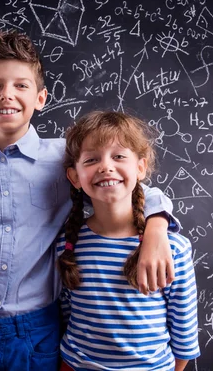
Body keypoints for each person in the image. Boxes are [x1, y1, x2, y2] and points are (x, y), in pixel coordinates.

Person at [0, 30, 181, 371]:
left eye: (21, 85)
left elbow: (128, 185)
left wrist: (157, 227)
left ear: (41, 97)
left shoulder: (66, 159)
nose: (7, 95)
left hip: (36, 335)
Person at [57, 111, 200, 371]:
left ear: (140, 167)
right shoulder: (68, 244)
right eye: (91, 159)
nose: (106, 166)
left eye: (119, 156)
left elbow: (184, 329)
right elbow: (66, 315)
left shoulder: (172, 249)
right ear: (75, 177)